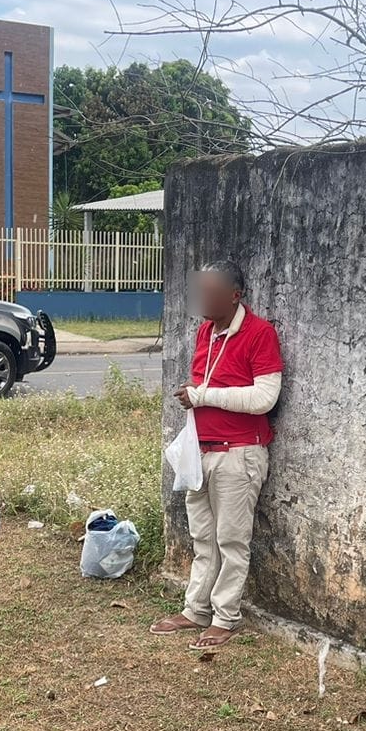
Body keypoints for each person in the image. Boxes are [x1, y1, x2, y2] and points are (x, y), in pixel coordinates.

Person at [150, 259, 283, 650]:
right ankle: (196, 610)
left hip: (238, 456)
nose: (201, 299)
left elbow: (264, 398)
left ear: (235, 295)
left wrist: (203, 396)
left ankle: (225, 617)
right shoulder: (206, 332)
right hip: (201, 452)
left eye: (210, 292)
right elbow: (203, 386)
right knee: (202, 538)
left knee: (231, 541)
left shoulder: (260, 334)